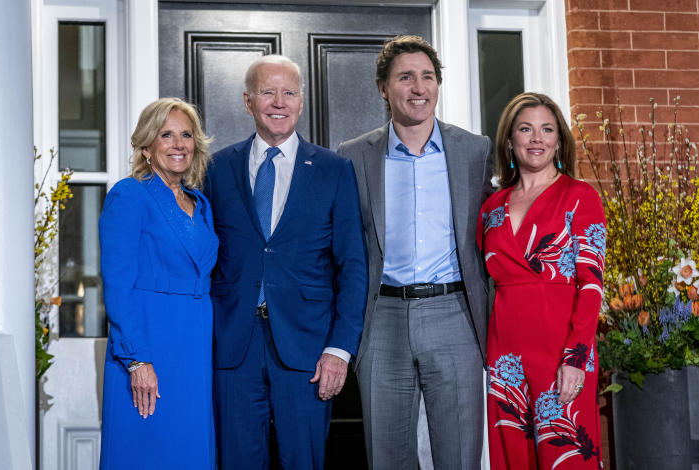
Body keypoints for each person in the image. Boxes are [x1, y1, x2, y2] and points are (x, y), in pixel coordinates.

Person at [337, 35, 494, 470]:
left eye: (427, 77)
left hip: (455, 314)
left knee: (460, 454)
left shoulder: (474, 151)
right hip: (382, 317)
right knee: (387, 455)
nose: (418, 87)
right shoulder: (353, 157)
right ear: (383, 88)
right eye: (405, 77)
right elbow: (342, 248)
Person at [205, 54, 367, 470]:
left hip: (309, 347)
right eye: (267, 91)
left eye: (289, 92)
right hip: (233, 344)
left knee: (304, 460)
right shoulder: (217, 168)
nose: (279, 101)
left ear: (301, 101)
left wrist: (340, 348)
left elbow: (353, 265)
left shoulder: (334, 169)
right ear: (247, 101)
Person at [477, 92, 606, 469]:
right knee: (511, 459)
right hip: (505, 358)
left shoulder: (580, 197)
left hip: (561, 353)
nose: (537, 138)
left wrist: (576, 357)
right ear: (509, 140)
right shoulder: (490, 208)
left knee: (565, 457)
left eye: (547, 129)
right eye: (526, 129)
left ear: (559, 140)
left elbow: (592, 285)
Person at [98, 97, 218, 469]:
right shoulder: (129, 194)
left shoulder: (200, 203)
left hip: (194, 344)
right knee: (146, 449)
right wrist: (136, 359)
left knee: (190, 449)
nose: (178, 144)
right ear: (147, 147)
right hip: (150, 344)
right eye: (166, 135)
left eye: (185, 134)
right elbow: (118, 284)